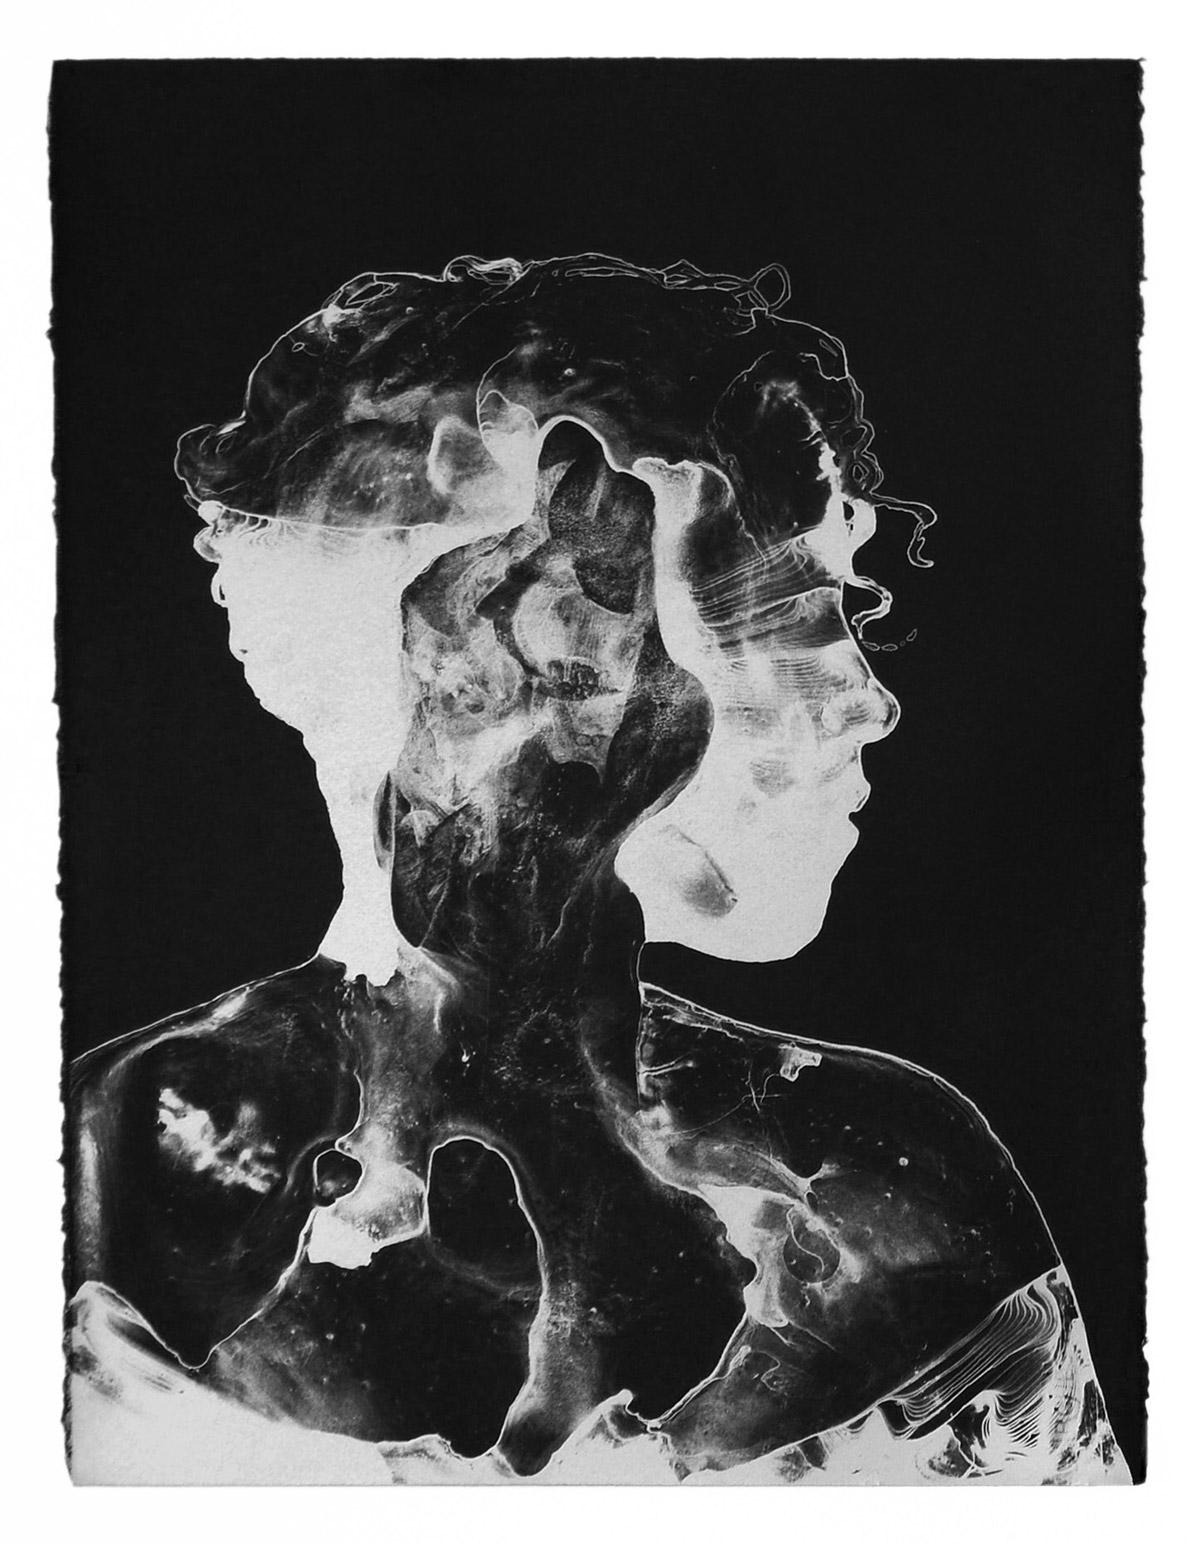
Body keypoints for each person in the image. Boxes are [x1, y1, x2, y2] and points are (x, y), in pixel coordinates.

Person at [67, 255, 1128, 1484]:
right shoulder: (130, 1154)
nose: (869, 700)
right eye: (794, 609)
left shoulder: (874, 1175)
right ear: (540, 650)